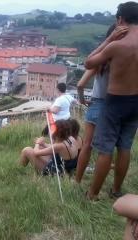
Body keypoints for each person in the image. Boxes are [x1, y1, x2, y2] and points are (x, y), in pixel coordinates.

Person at [85, 2, 138, 201]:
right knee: (125, 147)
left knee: (105, 149)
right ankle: (116, 190)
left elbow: (89, 62)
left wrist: (109, 39)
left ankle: (93, 194)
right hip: (136, 102)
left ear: (120, 19)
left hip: (115, 101)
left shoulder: (117, 45)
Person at [75, 24, 116, 184]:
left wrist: (82, 99)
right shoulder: (125, 58)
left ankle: (77, 180)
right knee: (106, 149)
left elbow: (80, 84)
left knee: (87, 146)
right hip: (115, 104)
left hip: (96, 104)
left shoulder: (101, 61)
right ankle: (101, 184)